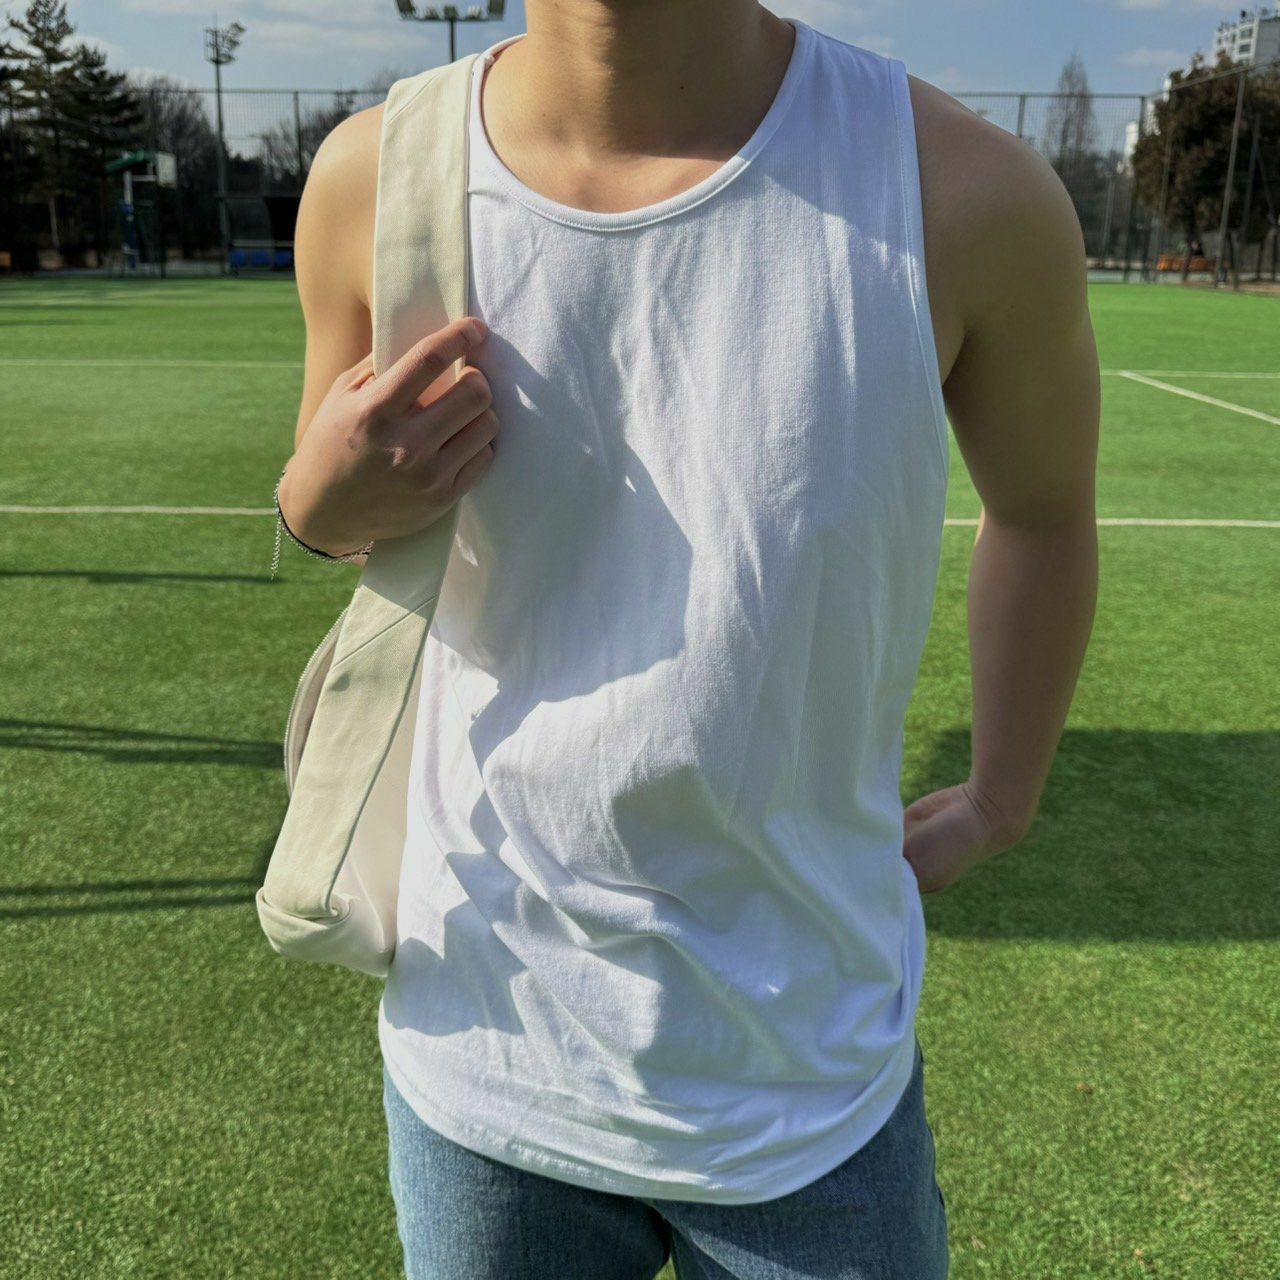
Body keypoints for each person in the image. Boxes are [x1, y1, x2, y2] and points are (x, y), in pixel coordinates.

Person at [276, 2, 1100, 1276]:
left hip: (807, 1079)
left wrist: (1001, 795)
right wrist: (317, 505)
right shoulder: (373, 176)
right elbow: (334, 504)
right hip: (481, 1054)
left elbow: (1042, 510)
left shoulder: (961, 192)